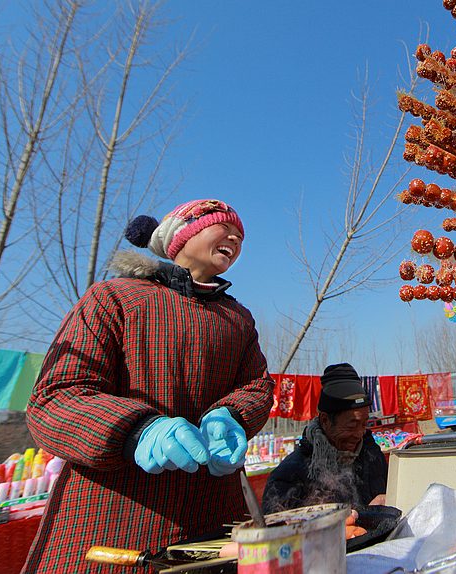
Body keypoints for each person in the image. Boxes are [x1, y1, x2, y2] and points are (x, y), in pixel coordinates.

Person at [23, 199, 275, 572]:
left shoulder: (238, 318)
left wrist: (232, 414)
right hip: (114, 522)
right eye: (222, 224)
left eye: (240, 233)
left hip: (215, 520)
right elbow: (54, 398)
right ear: (180, 235)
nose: (235, 235)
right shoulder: (114, 297)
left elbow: (257, 385)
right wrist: (137, 430)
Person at [261, 363, 387, 514]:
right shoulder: (291, 475)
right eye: (352, 425)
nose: (359, 433)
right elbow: (278, 531)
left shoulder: (371, 454)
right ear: (325, 421)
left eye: (364, 424)